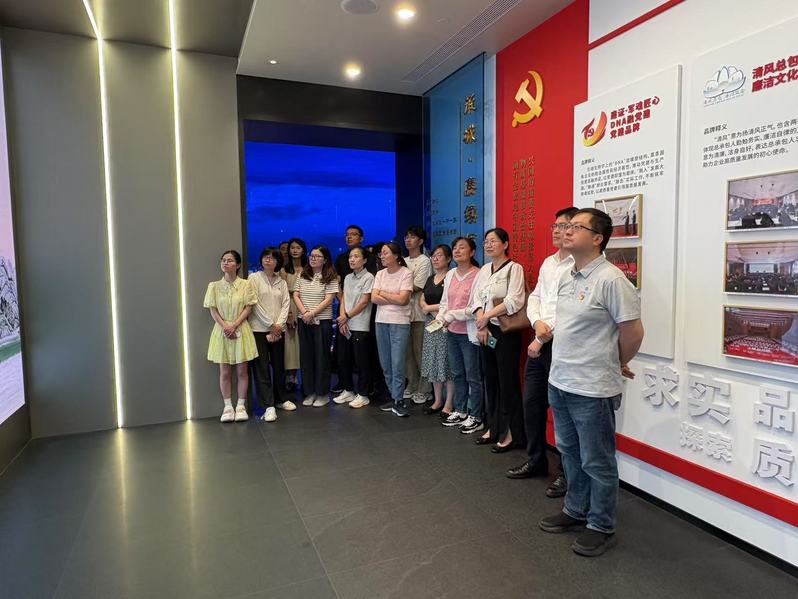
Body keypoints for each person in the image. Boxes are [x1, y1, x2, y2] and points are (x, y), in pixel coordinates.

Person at [539, 207, 644, 558]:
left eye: (576, 227)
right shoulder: (568, 274)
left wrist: (616, 361)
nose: (567, 231)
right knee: (569, 453)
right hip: (561, 381)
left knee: (597, 461)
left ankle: (601, 524)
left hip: (593, 388)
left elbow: (633, 332)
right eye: (566, 226)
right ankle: (576, 509)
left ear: (597, 238)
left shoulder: (611, 280)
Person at [506, 207, 578, 500]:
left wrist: (541, 336)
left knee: (563, 413)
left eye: (565, 226)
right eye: (555, 226)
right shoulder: (549, 262)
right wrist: (536, 323)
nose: (558, 231)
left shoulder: (578, 265)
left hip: (561, 345)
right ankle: (536, 460)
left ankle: (566, 472)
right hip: (541, 339)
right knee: (532, 405)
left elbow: (571, 309)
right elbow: (535, 297)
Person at [468, 228, 527, 452]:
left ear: (505, 244)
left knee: (507, 382)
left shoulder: (514, 268)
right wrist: (481, 322)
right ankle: (493, 427)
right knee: (490, 380)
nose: (489, 245)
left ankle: (511, 432)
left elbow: (515, 300)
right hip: (486, 330)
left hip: (505, 332)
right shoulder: (484, 270)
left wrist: (487, 317)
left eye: (493, 241)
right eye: (486, 241)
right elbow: (475, 299)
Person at [204, 250, 258, 423]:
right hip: (222, 330)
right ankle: (227, 406)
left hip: (241, 328)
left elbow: (249, 307)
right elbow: (212, 309)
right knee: (225, 371)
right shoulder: (213, 286)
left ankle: (241, 405)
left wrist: (234, 324)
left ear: (238, 264)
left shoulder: (246, 284)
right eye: (223, 260)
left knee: (242, 371)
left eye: (229, 260)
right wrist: (225, 326)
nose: (225, 263)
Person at [436, 237, 483, 432]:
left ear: (472, 252)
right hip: (452, 331)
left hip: (469, 333)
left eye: (462, 247)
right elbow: (445, 301)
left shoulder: (479, 274)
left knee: (473, 376)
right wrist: (441, 317)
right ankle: (461, 410)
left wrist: (452, 315)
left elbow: (476, 307)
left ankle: (476, 415)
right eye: (454, 247)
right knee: (457, 373)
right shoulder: (450, 274)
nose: (457, 250)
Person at [249, 247, 291, 422]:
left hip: (278, 329)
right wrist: (270, 324)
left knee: (279, 365)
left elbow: (286, 304)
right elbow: (254, 303)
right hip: (259, 329)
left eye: (272, 258)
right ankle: (268, 405)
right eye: (265, 257)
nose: (268, 260)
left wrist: (279, 325)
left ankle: (281, 399)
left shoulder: (281, 282)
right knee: (262, 368)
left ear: (278, 262)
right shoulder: (254, 278)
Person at [293, 246, 339, 407]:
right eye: (311, 256)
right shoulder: (302, 275)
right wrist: (305, 313)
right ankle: (309, 392)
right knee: (306, 358)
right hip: (304, 320)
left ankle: (322, 394)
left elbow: (329, 299)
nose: (313, 258)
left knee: (322, 358)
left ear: (325, 259)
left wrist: (312, 313)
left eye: (317, 256)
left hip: (322, 321)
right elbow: (296, 295)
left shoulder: (330, 276)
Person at [372, 242, 413, 417]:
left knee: (397, 363)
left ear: (396, 255)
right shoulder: (380, 274)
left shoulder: (406, 273)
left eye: (386, 253)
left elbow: (403, 300)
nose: (382, 256)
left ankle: (399, 399)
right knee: (386, 363)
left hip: (400, 322)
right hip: (381, 321)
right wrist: (392, 297)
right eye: (381, 253)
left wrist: (383, 293)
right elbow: (374, 298)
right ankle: (394, 396)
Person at [335, 246, 375, 409]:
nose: (352, 259)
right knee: (344, 359)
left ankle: (363, 394)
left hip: (360, 324)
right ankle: (348, 390)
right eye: (351, 256)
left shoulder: (368, 277)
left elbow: (364, 301)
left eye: (356, 256)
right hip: (346, 323)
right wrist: (343, 318)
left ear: (364, 260)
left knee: (361, 361)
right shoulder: (347, 277)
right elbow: (343, 298)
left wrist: (347, 316)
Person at [419, 244, 455, 421]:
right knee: (432, 362)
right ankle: (437, 400)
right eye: (433, 255)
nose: (435, 258)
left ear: (448, 259)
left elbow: (450, 301)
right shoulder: (430, 278)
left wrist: (431, 309)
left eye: (439, 255)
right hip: (430, 324)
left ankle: (449, 403)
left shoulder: (451, 276)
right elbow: (422, 298)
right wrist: (425, 307)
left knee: (445, 363)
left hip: (446, 323)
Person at [403, 226, 433, 405]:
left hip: (419, 314)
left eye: (412, 237)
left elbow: (417, 286)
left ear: (420, 241)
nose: (408, 240)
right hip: (403, 314)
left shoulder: (424, 261)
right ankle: (412, 384)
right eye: (406, 237)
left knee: (420, 352)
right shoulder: (403, 260)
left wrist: (397, 288)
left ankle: (425, 389)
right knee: (408, 354)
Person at [280, 238, 306, 394]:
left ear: (303, 250)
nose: (295, 250)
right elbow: (284, 293)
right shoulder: (284, 270)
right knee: (290, 344)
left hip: (305, 307)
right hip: (290, 306)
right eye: (292, 248)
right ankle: (290, 378)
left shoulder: (308, 268)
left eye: (298, 247)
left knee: (302, 343)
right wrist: (289, 314)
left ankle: (304, 377)